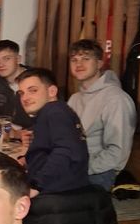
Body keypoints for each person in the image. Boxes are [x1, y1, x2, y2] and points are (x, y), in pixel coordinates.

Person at [67, 39, 136, 190]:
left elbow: (117, 153)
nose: (79, 64)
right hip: (73, 166)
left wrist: (80, 167)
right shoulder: (74, 99)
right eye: (74, 60)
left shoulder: (116, 99)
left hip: (100, 173)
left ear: (99, 64)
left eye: (86, 58)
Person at [17, 67, 89, 196]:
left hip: (59, 195)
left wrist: (36, 186)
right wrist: (26, 160)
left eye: (33, 91)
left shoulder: (55, 112)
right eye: (21, 93)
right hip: (59, 189)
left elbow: (66, 151)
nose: (25, 98)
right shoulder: (54, 111)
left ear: (52, 91)